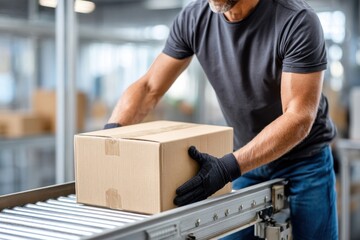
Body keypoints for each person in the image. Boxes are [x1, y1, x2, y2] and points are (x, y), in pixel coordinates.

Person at [105, 0, 338, 239]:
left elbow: (298, 117)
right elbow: (148, 87)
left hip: (305, 160)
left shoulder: (296, 19)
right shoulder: (194, 19)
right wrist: (108, 139)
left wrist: (227, 168)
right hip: (247, 156)